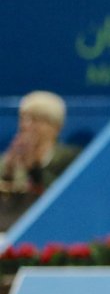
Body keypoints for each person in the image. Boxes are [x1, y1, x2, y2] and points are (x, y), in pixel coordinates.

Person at [0, 91, 82, 233]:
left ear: (56, 126)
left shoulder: (70, 158)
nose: (27, 126)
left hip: (54, 230)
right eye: (24, 118)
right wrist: (8, 171)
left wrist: (34, 169)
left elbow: (67, 197)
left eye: (36, 120)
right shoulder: (8, 159)